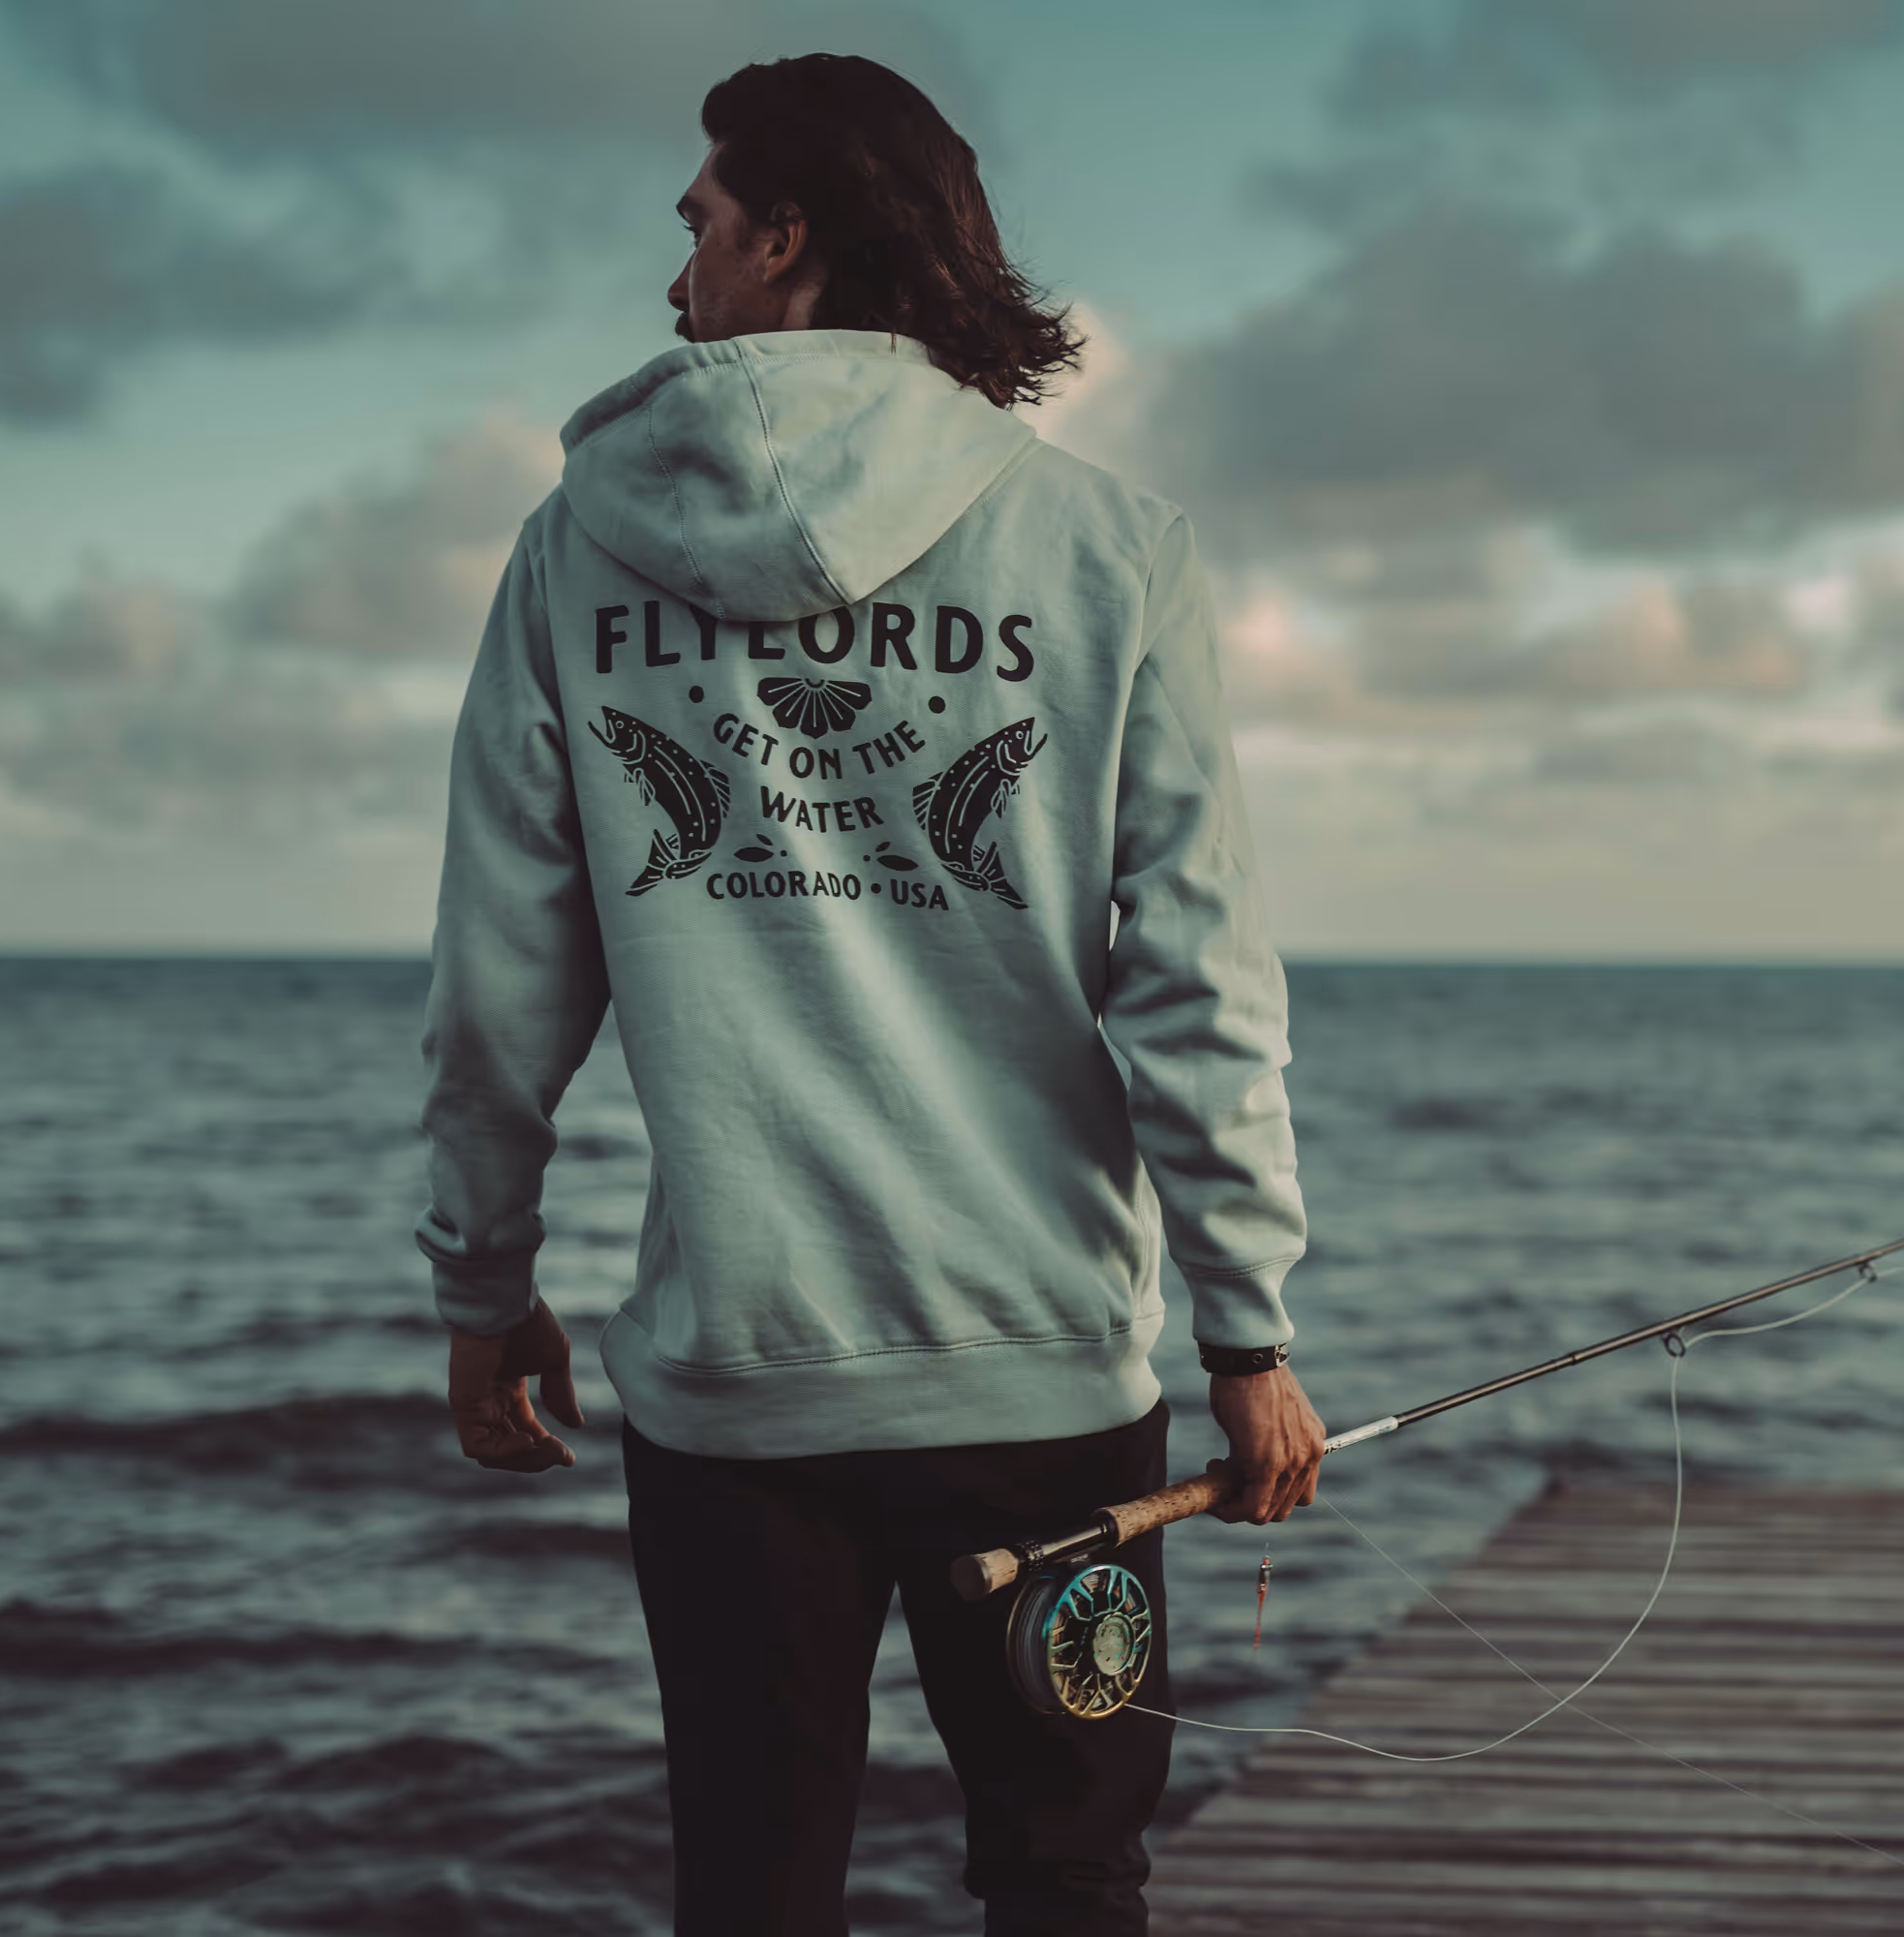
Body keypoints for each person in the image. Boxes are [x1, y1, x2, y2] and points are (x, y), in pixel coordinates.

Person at [415, 53, 1321, 1937]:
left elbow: (501, 984)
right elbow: (1198, 980)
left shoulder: (574, 555)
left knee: (751, 1895)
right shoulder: (1110, 549)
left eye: (697, 226)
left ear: (787, 237)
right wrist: (1246, 1331)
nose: (674, 275)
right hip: (1044, 1379)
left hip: (738, 1391)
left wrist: (482, 1288)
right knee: (1067, 1879)